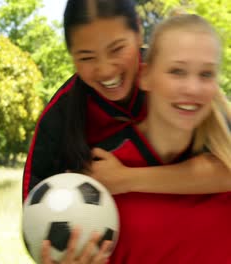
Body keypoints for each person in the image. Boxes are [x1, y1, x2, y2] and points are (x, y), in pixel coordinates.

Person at [21, 0, 231, 262]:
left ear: (139, 35)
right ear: (72, 56)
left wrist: (127, 179)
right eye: (86, 57)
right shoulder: (61, 118)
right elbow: (38, 216)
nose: (106, 69)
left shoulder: (180, 73)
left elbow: (225, 161)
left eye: (117, 49)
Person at [93, 14, 231, 263]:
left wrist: (127, 179)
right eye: (177, 71)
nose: (193, 88)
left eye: (206, 74)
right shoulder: (101, 173)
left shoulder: (224, 159)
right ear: (145, 76)